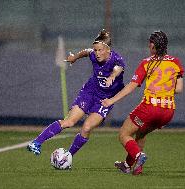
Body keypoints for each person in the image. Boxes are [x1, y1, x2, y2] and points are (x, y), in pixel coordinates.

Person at [27, 29, 126, 159]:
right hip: (89, 92)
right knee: (69, 122)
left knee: (86, 128)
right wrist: (74, 57)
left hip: (105, 100)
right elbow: (86, 52)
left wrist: (113, 76)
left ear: (108, 50)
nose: (97, 53)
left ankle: (68, 157)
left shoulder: (117, 60)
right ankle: (36, 142)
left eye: (100, 50)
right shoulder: (93, 54)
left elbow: (118, 68)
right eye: (95, 50)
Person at [101, 31, 184, 175]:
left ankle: (139, 156)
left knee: (124, 134)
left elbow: (131, 86)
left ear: (152, 45)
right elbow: (179, 88)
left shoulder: (147, 63)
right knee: (141, 133)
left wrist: (111, 100)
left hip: (150, 108)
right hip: (168, 111)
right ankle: (130, 166)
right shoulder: (175, 62)